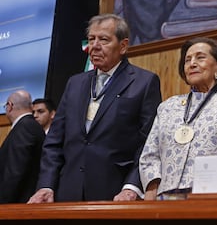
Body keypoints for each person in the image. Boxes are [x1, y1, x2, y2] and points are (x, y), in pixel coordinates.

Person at [27, 13, 162, 203]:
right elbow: (54, 141)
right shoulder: (75, 83)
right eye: (91, 39)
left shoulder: (144, 82)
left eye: (104, 40)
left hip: (116, 193)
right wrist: (46, 185)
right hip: (67, 193)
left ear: (123, 46)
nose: (95, 46)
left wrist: (132, 186)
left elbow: (148, 142)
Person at [139, 36, 217, 200]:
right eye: (187, 60)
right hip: (165, 200)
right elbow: (149, 155)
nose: (192, 63)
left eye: (200, 57)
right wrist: (151, 189)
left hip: (216, 198)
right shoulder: (167, 107)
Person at [0, 90, 45, 203]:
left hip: (17, 204)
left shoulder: (24, 127)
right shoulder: (33, 125)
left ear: (9, 106)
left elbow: (15, 171)